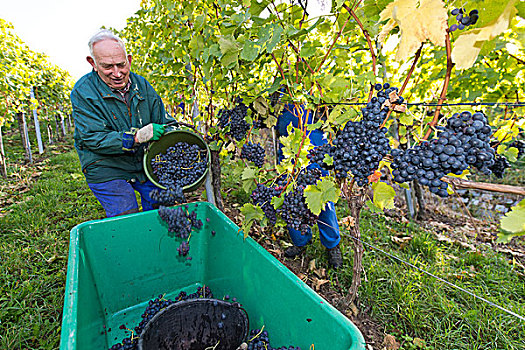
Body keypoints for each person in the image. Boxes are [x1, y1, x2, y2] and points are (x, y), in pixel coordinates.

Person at [71, 29, 175, 217]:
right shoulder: (83, 92)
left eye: (121, 64)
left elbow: (163, 119)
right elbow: (93, 138)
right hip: (104, 164)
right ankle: (132, 243)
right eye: (108, 67)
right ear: (92, 63)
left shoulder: (141, 85)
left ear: (129, 59)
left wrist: (175, 132)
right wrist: (135, 137)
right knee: (126, 214)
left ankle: (156, 243)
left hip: (143, 160)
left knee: (162, 209)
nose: (117, 73)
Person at [276, 103, 343, 269]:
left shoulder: (314, 83)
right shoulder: (281, 88)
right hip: (288, 149)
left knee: (320, 196)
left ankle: (332, 244)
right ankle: (300, 240)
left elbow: (331, 115)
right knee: (291, 197)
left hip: (314, 145)